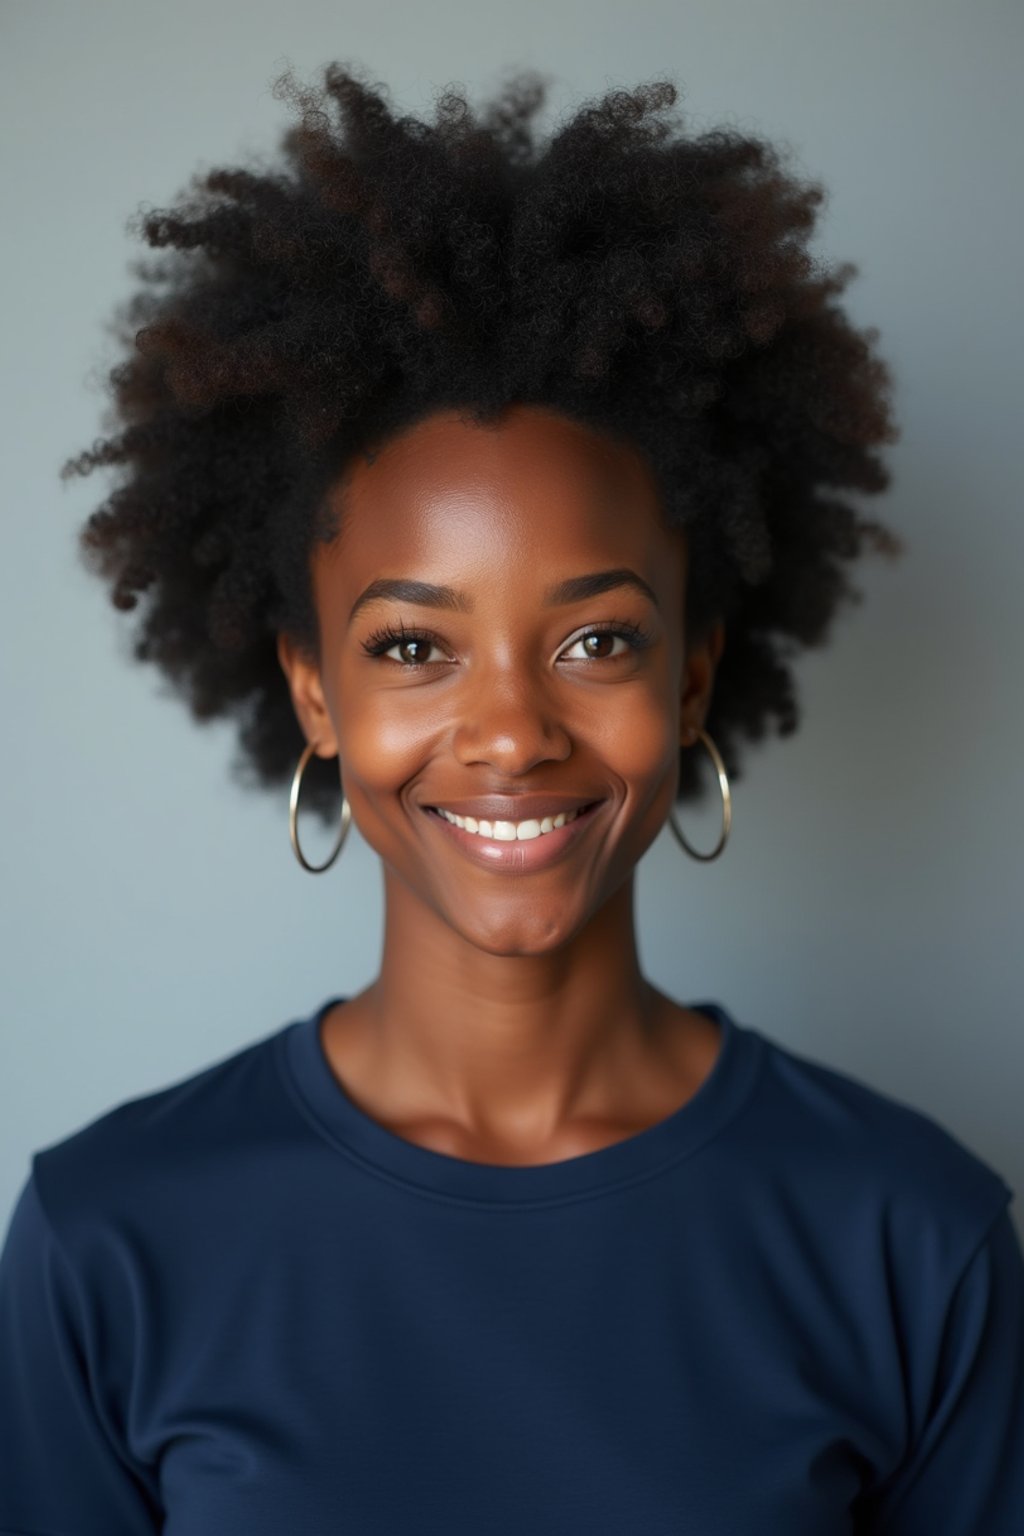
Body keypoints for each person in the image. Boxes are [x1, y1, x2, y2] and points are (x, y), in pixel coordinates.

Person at [1, 62, 1020, 1534]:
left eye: (596, 641)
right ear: (312, 692)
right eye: (413, 647)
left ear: (691, 677)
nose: (508, 734)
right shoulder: (112, 1241)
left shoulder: (912, 1239)